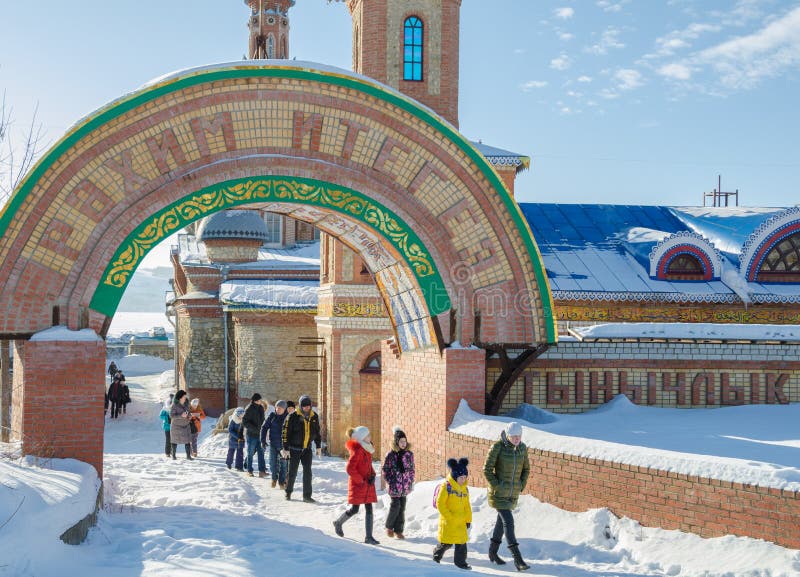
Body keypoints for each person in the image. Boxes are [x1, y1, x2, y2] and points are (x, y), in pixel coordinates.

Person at [483, 421, 531, 571]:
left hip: (512, 493)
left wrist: (520, 485)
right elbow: (487, 469)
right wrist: (498, 486)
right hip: (498, 493)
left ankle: (492, 552)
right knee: (508, 522)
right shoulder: (498, 447)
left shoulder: (522, 448)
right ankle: (518, 559)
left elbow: (526, 470)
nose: (517, 439)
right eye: (514, 436)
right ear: (508, 436)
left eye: (519, 436)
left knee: (501, 523)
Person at [332, 426, 379, 544]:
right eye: (368, 436)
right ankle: (338, 522)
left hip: (367, 484)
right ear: (362, 438)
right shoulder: (358, 451)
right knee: (355, 509)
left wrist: (373, 475)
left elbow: (368, 466)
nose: (370, 437)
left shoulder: (367, 449)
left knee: (369, 508)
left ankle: (369, 537)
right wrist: (361, 481)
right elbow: (350, 469)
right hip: (359, 485)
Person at [433, 457, 472, 570]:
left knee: (462, 543)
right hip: (449, 521)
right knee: (447, 542)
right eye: (461, 477)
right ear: (455, 476)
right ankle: (436, 555)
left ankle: (461, 563)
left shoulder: (464, 488)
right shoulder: (447, 487)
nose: (463, 479)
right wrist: (449, 517)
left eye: (465, 477)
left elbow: (467, 506)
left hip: (461, 521)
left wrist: (468, 519)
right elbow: (440, 504)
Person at [281, 394, 321, 502]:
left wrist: (318, 446)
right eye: (304, 406)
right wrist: (285, 448)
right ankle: (288, 492)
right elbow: (285, 432)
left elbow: (317, 432)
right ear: (300, 406)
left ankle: (307, 496)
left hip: (307, 449)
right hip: (294, 449)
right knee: (292, 471)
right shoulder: (292, 416)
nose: (306, 408)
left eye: (308, 406)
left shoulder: (314, 416)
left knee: (308, 472)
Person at [382, 426, 415, 539]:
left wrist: (410, 481)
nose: (403, 443)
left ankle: (399, 530)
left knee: (402, 508)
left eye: (405, 441)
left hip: (405, 486)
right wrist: (391, 481)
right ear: (397, 442)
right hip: (394, 486)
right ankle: (389, 527)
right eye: (401, 441)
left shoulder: (409, 455)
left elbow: (411, 470)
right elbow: (385, 470)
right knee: (395, 506)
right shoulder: (391, 455)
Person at [261, 399, 289, 489]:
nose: (278, 410)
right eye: (277, 408)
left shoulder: (288, 418)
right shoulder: (272, 416)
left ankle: (281, 482)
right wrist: (263, 440)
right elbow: (264, 427)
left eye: (280, 408)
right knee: (272, 464)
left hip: (283, 446)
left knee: (283, 465)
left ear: (284, 409)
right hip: (273, 444)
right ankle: (274, 479)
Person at [242, 393, 267, 478]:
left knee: (261, 453)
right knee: (250, 452)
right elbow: (245, 422)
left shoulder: (261, 408)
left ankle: (262, 471)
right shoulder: (249, 408)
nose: (261, 401)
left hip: (259, 434)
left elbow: (263, 419)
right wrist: (254, 428)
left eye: (260, 400)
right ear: (255, 401)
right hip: (251, 435)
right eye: (259, 400)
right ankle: (249, 470)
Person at [169, 390, 193, 460]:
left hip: (186, 425)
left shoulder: (187, 404)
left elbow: (188, 413)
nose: (185, 397)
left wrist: (189, 416)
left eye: (185, 396)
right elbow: (171, 416)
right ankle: (173, 455)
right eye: (184, 396)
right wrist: (181, 415)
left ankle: (188, 456)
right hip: (176, 426)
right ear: (180, 397)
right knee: (174, 441)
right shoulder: (174, 405)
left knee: (187, 440)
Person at [226, 407, 246, 471]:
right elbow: (230, 430)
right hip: (233, 439)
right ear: (237, 414)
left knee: (240, 453)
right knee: (231, 452)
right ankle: (229, 463)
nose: (241, 416)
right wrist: (237, 436)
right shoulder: (233, 420)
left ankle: (239, 466)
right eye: (240, 415)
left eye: (243, 415)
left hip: (241, 440)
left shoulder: (244, 421)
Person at [159, 393, 174, 458]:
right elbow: (161, 416)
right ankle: (167, 452)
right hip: (167, 426)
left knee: (173, 439)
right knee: (168, 439)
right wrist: (166, 418)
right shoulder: (165, 409)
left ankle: (172, 451)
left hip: (174, 426)